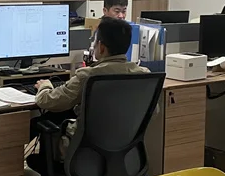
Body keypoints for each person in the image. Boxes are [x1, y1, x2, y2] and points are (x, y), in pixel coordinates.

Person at [34, 17, 148, 147]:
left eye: (95, 41)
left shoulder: (89, 75)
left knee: (43, 121)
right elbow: (153, 111)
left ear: (102, 47)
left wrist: (45, 86)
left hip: (84, 148)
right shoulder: (143, 75)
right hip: (126, 147)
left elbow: (48, 101)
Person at [86, 0, 129, 66]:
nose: (121, 16)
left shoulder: (126, 29)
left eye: (124, 11)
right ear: (105, 11)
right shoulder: (100, 28)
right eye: (117, 11)